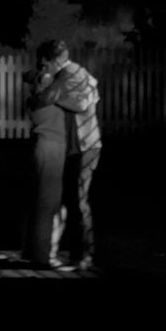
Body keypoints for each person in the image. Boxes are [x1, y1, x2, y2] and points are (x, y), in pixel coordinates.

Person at [21, 39, 100, 272]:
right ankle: (53, 251)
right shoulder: (64, 73)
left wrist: (32, 97)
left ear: (54, 60)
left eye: (44, 62)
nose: (41, 65)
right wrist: (37, 76)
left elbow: (45, 98)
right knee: (62, 201)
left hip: (84, 146)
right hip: (71, 146)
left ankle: (83, 255)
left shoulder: (71, 76)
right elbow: (30, 76)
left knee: (77, 201)